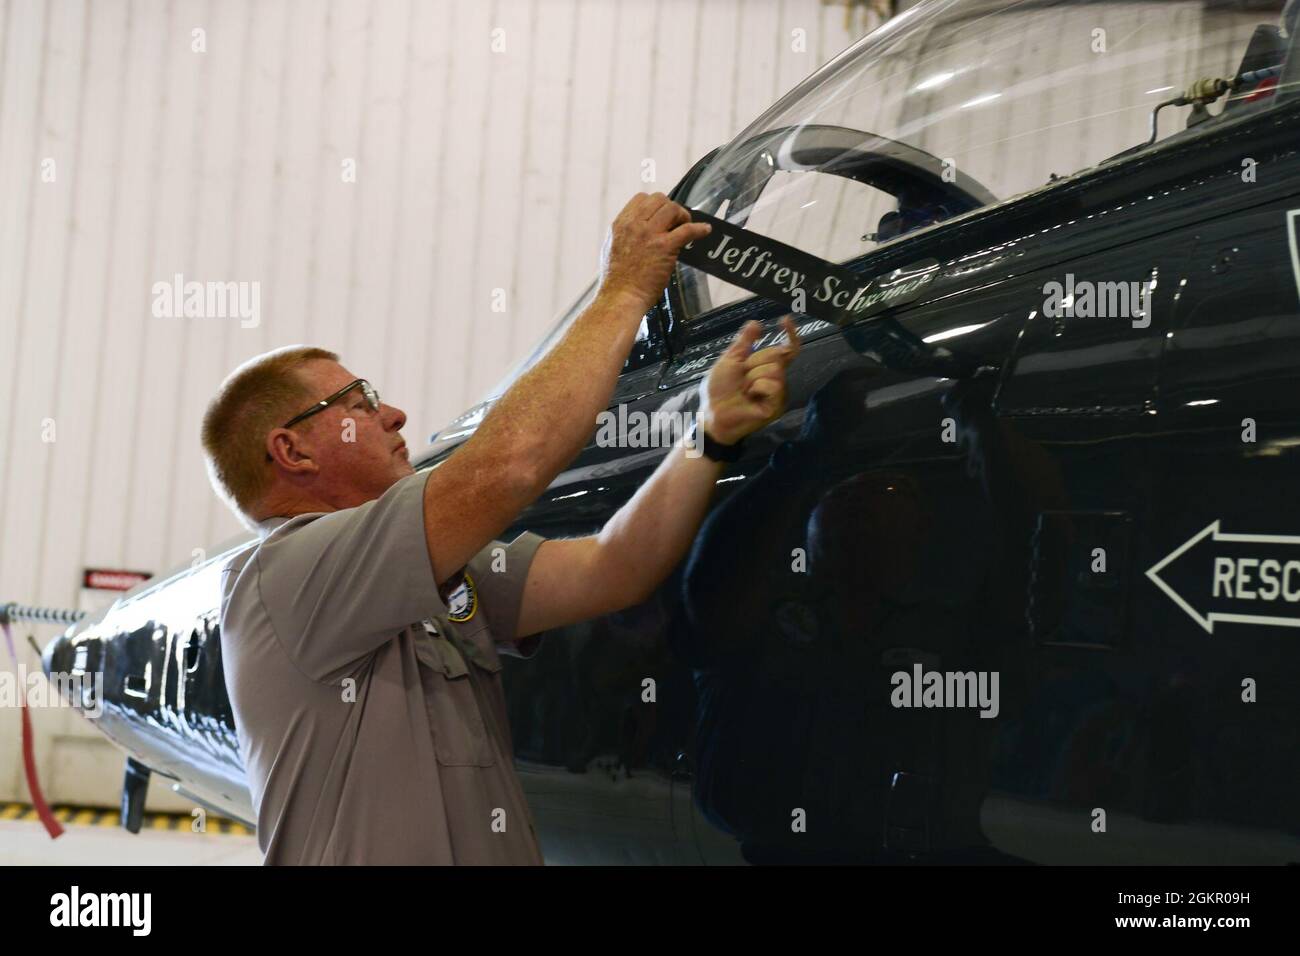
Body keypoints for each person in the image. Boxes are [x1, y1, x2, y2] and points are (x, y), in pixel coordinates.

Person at [199, 192, 800, 864]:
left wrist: (708, 437)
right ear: (294, 451)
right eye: (359, 403)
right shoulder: (284, 575)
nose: (394, 413)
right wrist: (625, 288)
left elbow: (615, 567)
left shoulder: (428, 578)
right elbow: (509, 465)